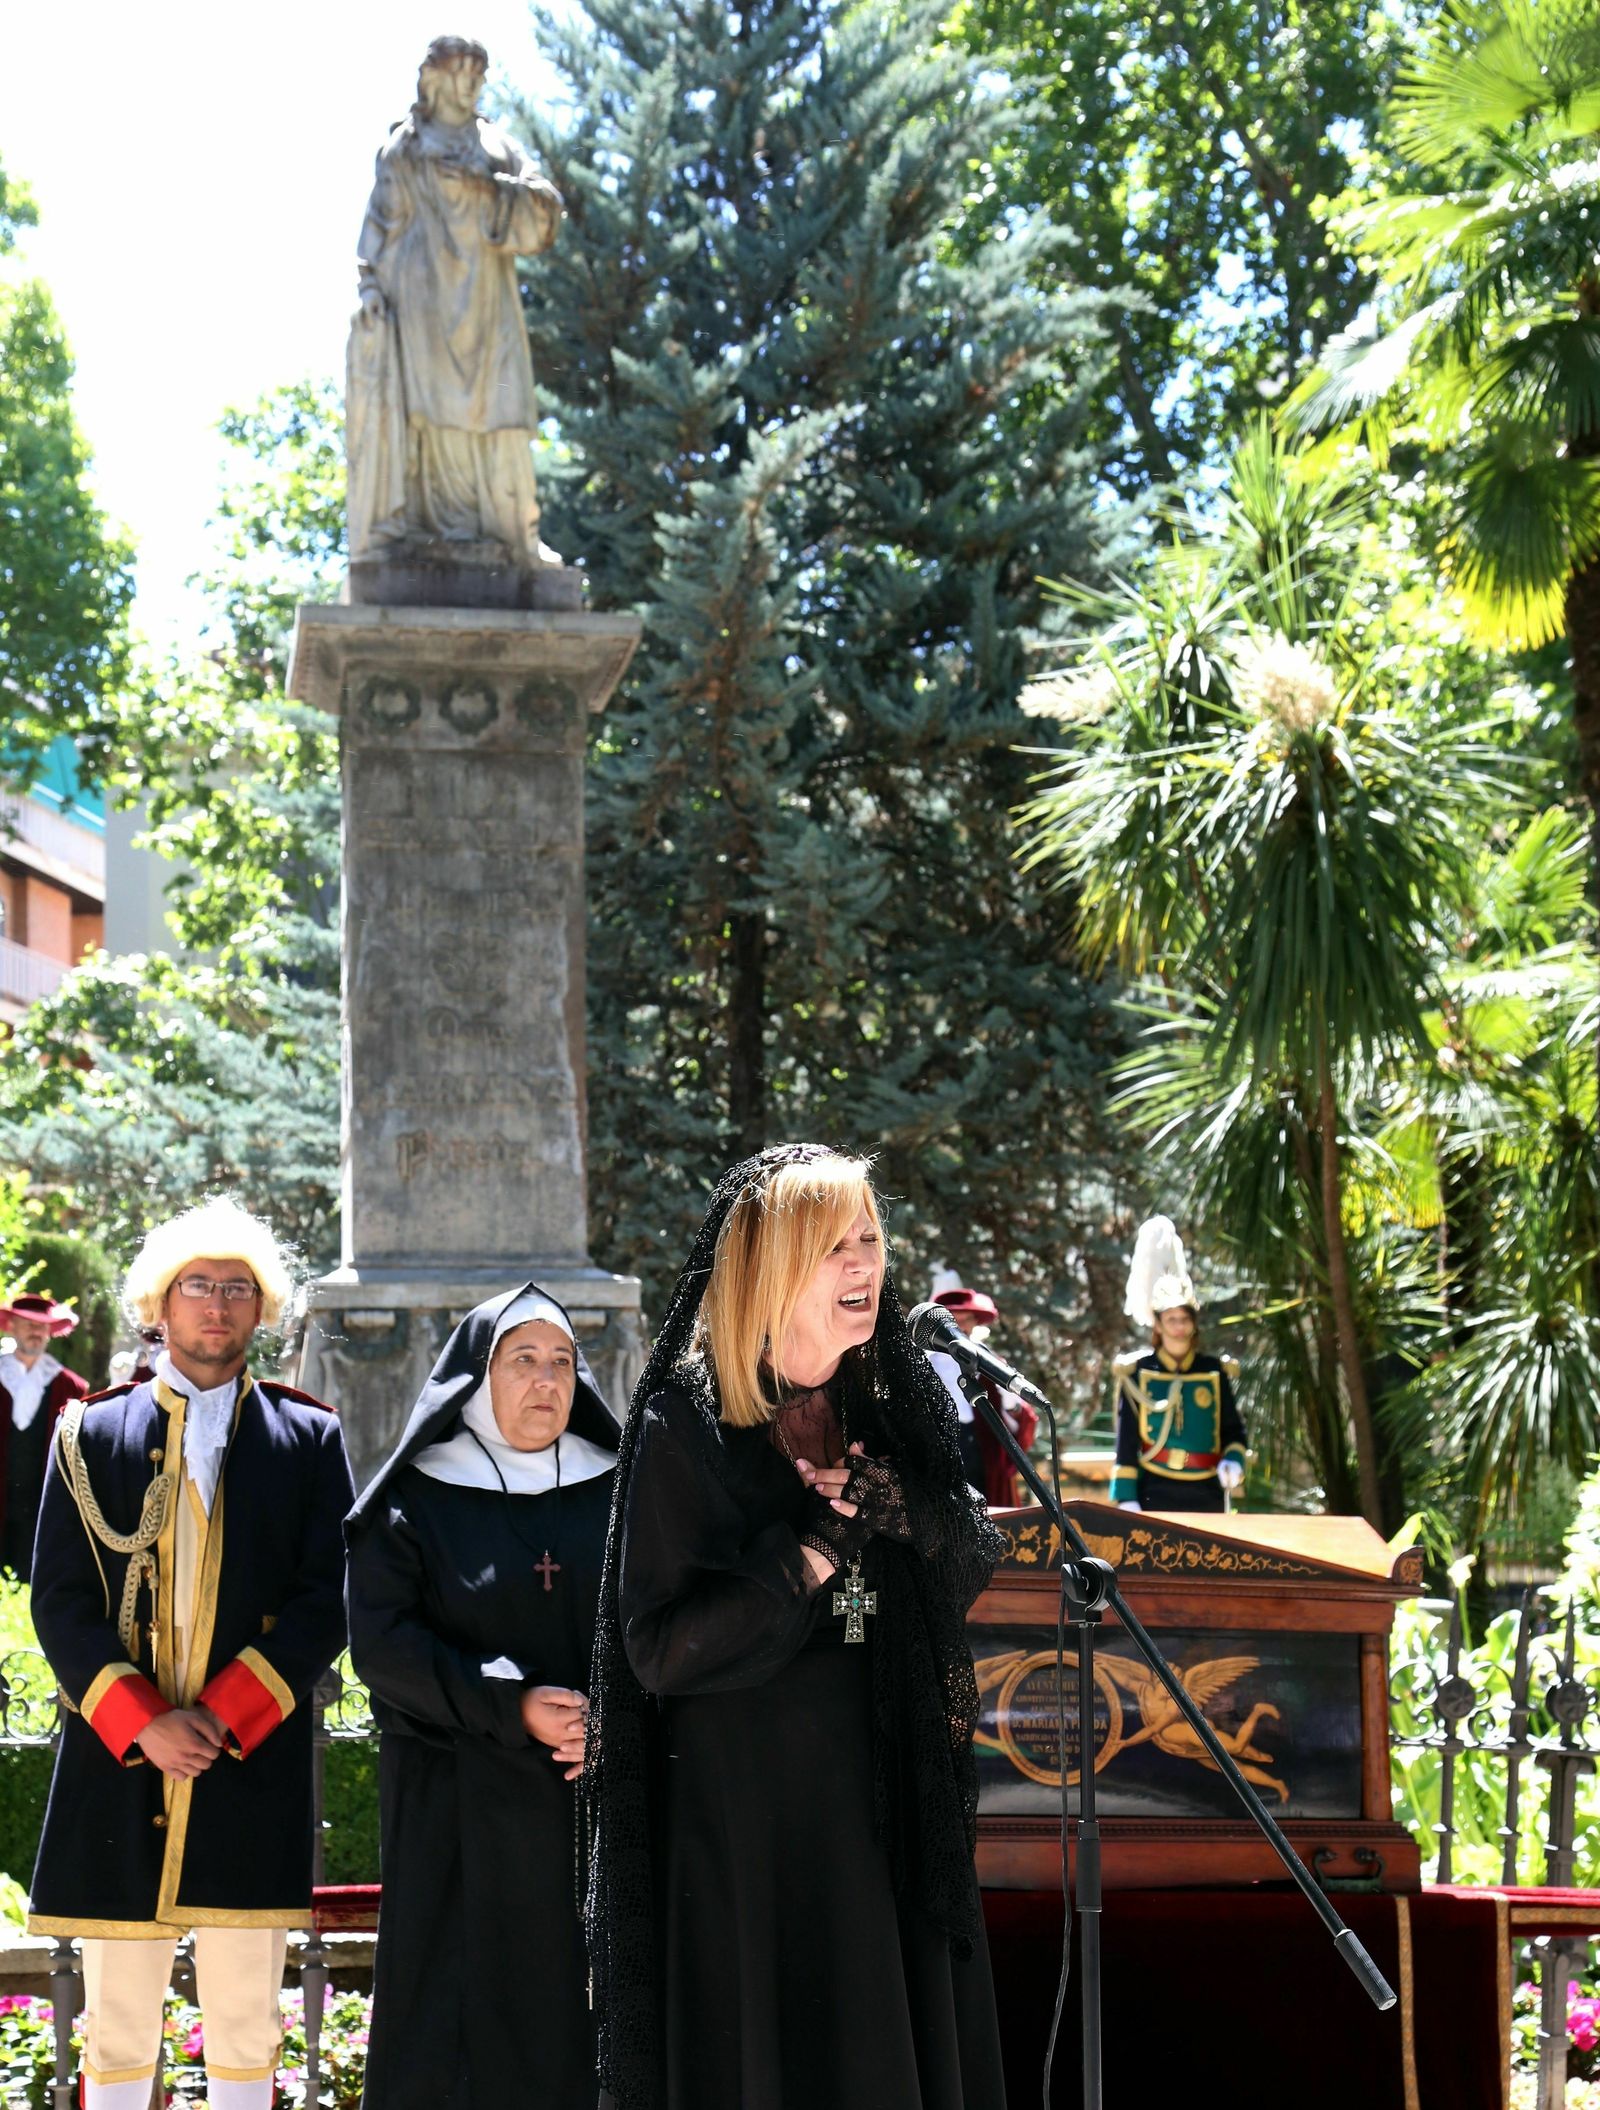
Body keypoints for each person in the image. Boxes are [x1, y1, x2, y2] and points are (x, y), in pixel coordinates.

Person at [587, 1144, 1008, 2110]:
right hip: (748, 1816)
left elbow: (970, 1561)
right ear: (772, 1265)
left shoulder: (886, 1400)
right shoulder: (685, 1421)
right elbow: (658, 1650)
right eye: (834, 1246)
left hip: (880, 1789)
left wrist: (907, 1509)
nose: (864, 1264)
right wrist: (808, 1555)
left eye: (871, 1240)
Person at [27, 1198, 354, 2110]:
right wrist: (144, 1723)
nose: (218, 1304)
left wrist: (218, 1717)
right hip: (118, 1762)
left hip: (247, 1759)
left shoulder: (310, 1438)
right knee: (116, 2024)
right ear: (159, 1305)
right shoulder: (88, 1434)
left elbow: (328, 1596)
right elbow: (60, 1602)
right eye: (198, 1285)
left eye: (238, 1288)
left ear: (263, 1307)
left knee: (248, 2019)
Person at [345, 1284, 619, 2110]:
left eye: (563, 1361)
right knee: (456, 2027)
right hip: (456, 1804)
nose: (547, 1380)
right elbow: (383, 1648)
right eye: (523, 1359)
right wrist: (514, 1704)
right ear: (476, 1377)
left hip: (592, 1797)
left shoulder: (620, 1488)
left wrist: (613, 1720)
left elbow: (655, 1623)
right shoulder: (415, 1497)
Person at [346, 34, 564, 567]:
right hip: (421, 300)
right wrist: (370, 287)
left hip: (488, 301)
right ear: (435, 79)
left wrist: (490, 189)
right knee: (431, 416)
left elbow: (545, 212)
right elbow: (378, 227)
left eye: (478, 75)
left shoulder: (496, 146)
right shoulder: (406, 148)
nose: (472, 85)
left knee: (501, 410)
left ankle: (513, 533)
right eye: (462, 73)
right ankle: (433, 533)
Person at [1109, 1216, 1246, 1514]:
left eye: (1185, 1319)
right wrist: (1126, 1496)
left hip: (1207, 1489)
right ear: (1158, 1324)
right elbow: (1126, 1442)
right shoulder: (1138, 1372)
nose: (1179, 1326)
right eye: (1171, 1319)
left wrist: (1234, 1460)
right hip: (1154, 1489)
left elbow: (1233, 1431)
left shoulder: (1214, 1370)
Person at [925, 1284, 1040, 1508]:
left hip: (980, 1455)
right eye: (953, 1318)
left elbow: (1019, 1419)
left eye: (966, 1318)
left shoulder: (987, 1360)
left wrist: (1008, 1397)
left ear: (975, 1322)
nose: (960, 1325)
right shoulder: (923, 1364)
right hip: (937, 1455)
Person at [0, 1288, 88, 1579]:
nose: (36, 1332)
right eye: (28, 1324)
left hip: (40, 1507)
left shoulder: (71, 1388)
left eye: (42, 1326)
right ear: (12, 1326)